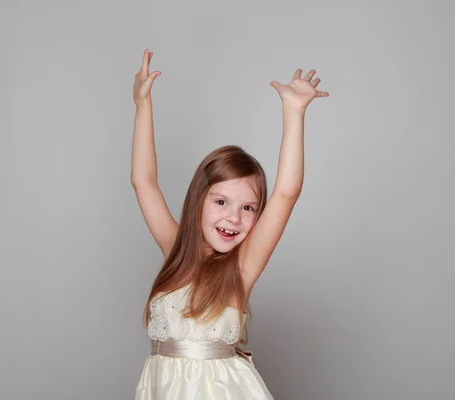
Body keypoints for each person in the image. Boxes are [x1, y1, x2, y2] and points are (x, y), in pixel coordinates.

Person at [131, 48, 328, 400]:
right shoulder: (174, 248)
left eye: (249, 208)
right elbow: (144, 181)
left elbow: (286, 193)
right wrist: (142, 104)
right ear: (198, 200)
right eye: (221, 202)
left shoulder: (242, 266)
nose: (233, 218)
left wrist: (294, 112)